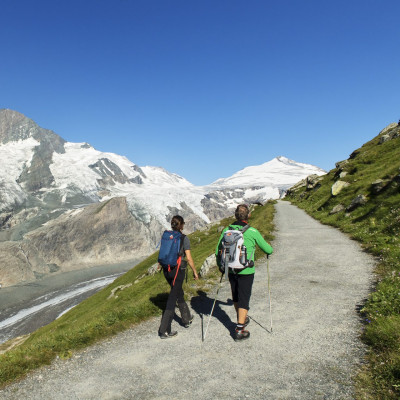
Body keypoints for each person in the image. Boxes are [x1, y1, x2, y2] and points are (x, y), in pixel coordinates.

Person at [216, 204, 273, 341]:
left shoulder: (226, 230)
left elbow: (218, 251)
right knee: (244, 298)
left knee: (236, 296)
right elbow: (268, 250)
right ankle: (239, 330)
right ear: (249, 215)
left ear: (235, 215)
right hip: (246, 270)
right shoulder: (252, 232)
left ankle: (241, 318)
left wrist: (221, 267)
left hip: (231, 269)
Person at [158, 215, 199, 339]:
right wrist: (195, 271)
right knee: (172, 298)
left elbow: (163, 252)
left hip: (166, 270)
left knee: (178, 293)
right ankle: (164, 330)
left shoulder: (167, 236)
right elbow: (189, 258)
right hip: (177, 271)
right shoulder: (183, 238)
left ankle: (186, 318)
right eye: (183, 224)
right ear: (181, 225)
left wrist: (159, 265)